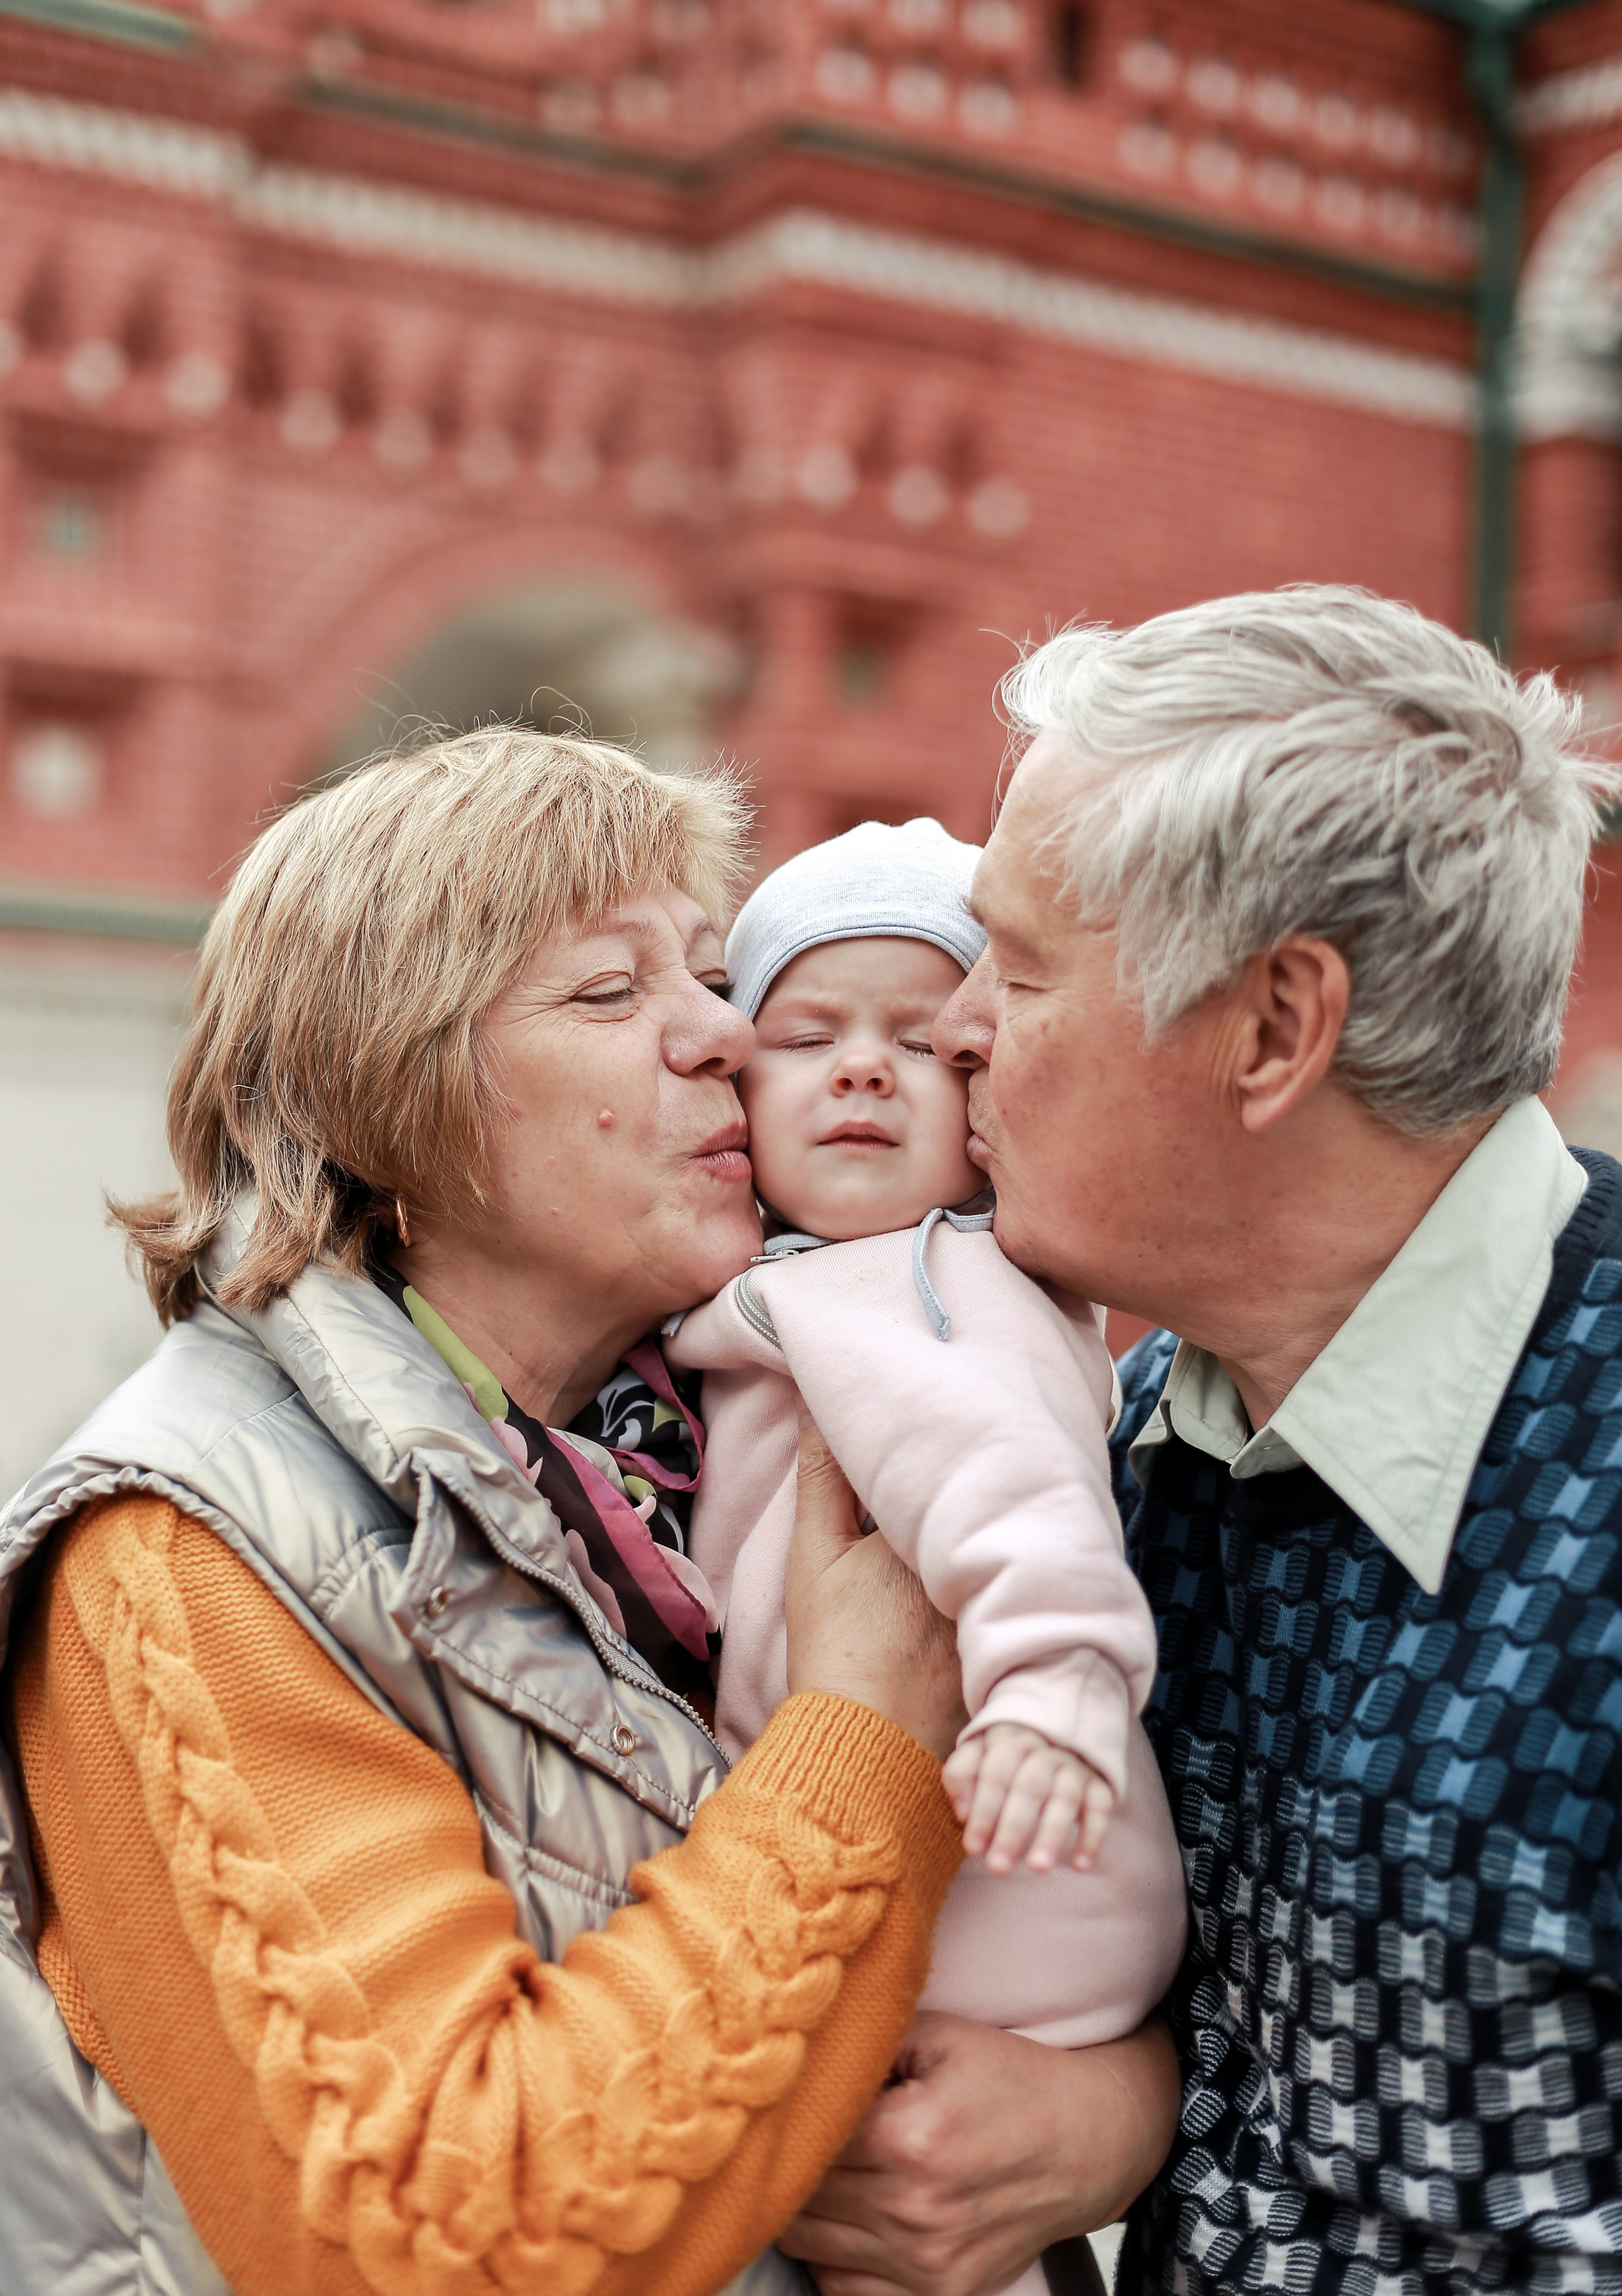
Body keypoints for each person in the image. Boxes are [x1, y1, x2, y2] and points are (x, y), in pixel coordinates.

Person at [0, 730, 977, 2296]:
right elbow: (437, 2245)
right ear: (385, 1093)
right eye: (609, 992)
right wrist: (863, 1744)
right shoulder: (180, 1561)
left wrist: (1099, 2114)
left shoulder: (696, 1454)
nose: (726, 1034)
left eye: (711, 976)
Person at [829, 582, 1620, 2296]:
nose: (958, 1029)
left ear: (1274, 1028)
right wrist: (1118, 2110)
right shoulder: (1119, 1442)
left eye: (1023, 970)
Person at [677, 817, 1187, 2296]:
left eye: (923, 1041)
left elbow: (1012, 1487)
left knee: (895, 2220)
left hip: (1003, 1871)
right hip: (955, 1868)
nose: (859, 1067)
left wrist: (1052, 1684)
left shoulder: (931, 1290)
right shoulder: (810, 1288)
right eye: (804, 1033)